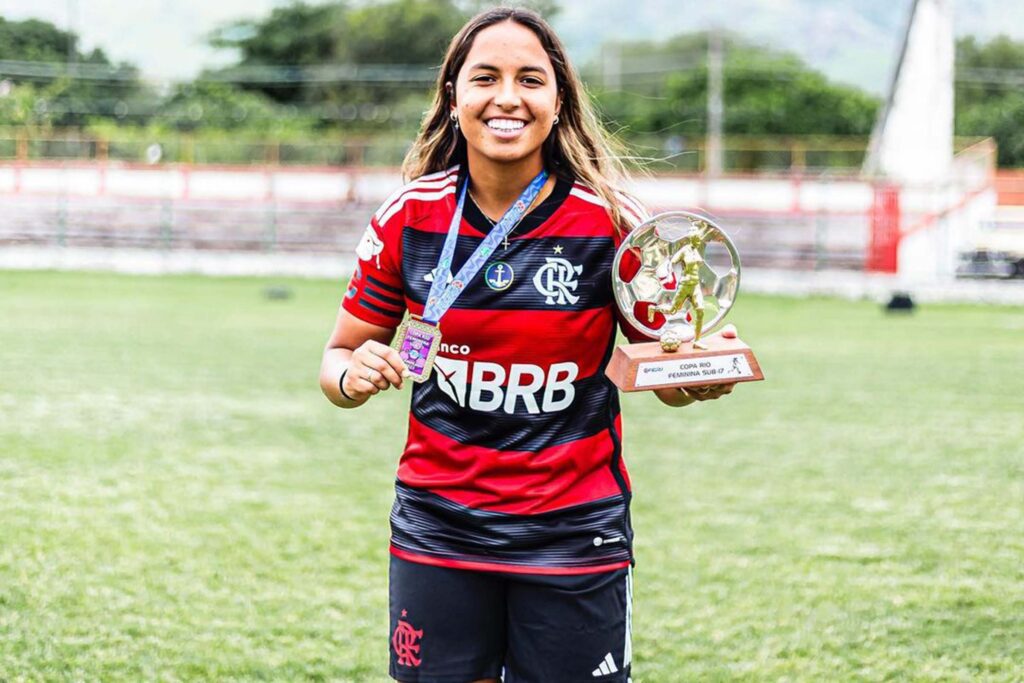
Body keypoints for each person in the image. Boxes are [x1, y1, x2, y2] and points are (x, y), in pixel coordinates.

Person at [319, 8, 734, 682]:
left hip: (574, 531)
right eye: (485, 77)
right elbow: (335, 360)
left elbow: (666, 371)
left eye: (530, 80)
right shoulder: (408, 216)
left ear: (557, 101)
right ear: (454, 97)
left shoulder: (613, 222)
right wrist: (352, 373)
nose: (507, 96)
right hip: (440, 526)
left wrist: (701, 372)